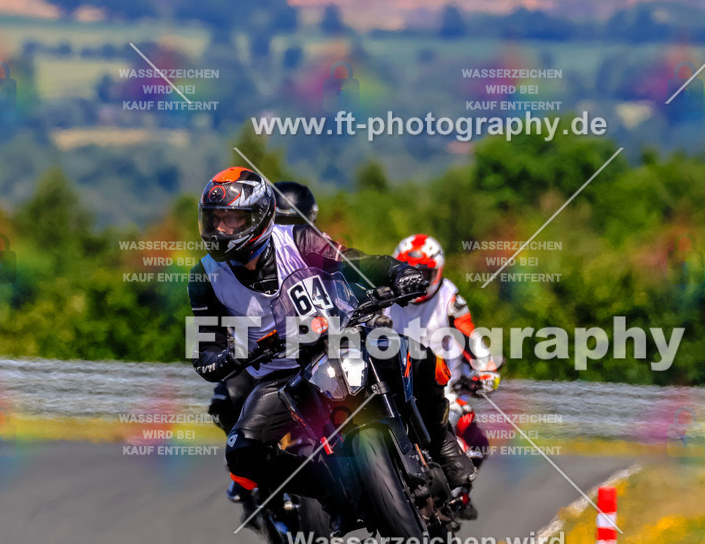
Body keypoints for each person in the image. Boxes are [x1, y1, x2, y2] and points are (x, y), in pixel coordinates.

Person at [187, 168, 474, 522]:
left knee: (420, 354)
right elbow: (205, 347)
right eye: (214, 219)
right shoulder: (204, 277)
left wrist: (397, 272)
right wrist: (223, 358)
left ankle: (441, 443)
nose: (220, 229)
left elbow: (355, 262)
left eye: (232, 219)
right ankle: (329, 492)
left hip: (347, 339)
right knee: (242, 453)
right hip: (284, 377)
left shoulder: (299, 239)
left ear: (260, 215)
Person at [204, 180, 318, 502]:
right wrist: (230, 351)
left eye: (296, 223)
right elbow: (213, 332)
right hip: (259, 354)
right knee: (226, 398)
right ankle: (245, 472)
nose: (287, 230)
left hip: (318, 345)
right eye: (282, 221)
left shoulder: (312, 247)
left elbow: (353, 280)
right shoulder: (226, 269)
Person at [387, 235, 501, 474]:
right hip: (395, 391)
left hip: (445, 388)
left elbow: (469, 333)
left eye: (424, 274)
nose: (416, 281)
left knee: (476, 443)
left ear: (437, 271)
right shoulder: (385, 296)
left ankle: (461, 495)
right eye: (409, 272)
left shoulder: (448, 295)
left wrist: (486, 368)